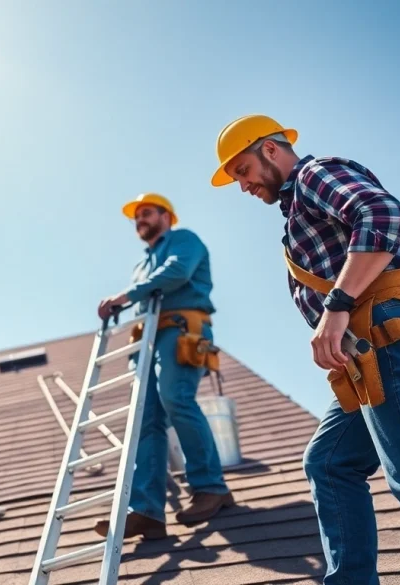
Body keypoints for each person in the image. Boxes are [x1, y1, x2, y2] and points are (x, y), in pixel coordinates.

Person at [210, 114, 400, 584]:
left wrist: (337, 305)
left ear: (270, 150)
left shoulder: (316, 173)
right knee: (330, 462)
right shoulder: (296, 210)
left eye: (242, 171)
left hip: (389, 339)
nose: (242, 186)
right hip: (372, 354)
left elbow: (383, 214)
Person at [94, 193, 233, 540]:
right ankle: (147, 511)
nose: (140, 219)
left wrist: (125, 297)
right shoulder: (140, 266)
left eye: (147, 212)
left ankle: (210, 487)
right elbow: (147, 290)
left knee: (177, 399)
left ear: (166, 216)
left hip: (180, 331)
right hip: (147, 341)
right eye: (136, 216)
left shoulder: (184, 240)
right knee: (146, 421)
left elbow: (176, 272)